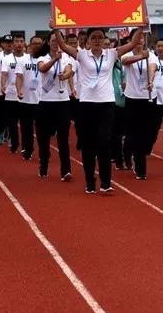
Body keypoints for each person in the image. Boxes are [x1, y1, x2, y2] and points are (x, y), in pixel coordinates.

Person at [55, 25, 144, 194]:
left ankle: (106, 182)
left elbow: (132, 44)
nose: (97, 40)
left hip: (106, 104)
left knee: (104, 142)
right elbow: (63, 45)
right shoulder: (81, 55)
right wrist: (56, 29)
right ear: (87, 41)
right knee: (88, 145)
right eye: (93, 37)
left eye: (100, 37)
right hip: (87, 104)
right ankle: (90, 182)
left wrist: (141, 26)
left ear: (105, 40)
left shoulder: (111, 54)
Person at [34, 33, 74, 179]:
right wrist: (54, 59)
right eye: (53, 41)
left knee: (63, 138)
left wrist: (66, 74)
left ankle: (66, 170)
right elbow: (42, 69)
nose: (56, 43)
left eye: (59, 41)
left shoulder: (67, 57)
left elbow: (70, 70)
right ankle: (43, 167)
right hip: (45, 102)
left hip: (63, 102)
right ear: (48, 42)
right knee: (43, 139)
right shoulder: (42, 57)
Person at [120, 28, 158, 179]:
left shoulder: (151, 55)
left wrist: (150, 80)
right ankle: (139, 165)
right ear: (132, 40)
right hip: (132, 98)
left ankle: (133, 152)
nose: (140, 40)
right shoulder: (128, 54)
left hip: (148, 97)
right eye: (137, 38)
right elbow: (125, 61)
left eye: (142, 38)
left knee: (148, 131)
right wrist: (141, 56)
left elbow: (152, 67)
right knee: (134, 133)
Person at [14, 36, 44, 160]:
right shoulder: (23, 60)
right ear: (30, 45)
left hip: (42, 99)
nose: (36, 45)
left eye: (39, 43)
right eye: (34, 43)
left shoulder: (46, 59)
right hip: (26, 99)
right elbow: (19, 77)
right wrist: (19, 90)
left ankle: (44, 152)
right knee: (26, 128)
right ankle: (28, 149)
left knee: (42, 129)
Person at [2, 35, 27, 155]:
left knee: (24, 122)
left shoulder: (28, 58)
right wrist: (2, 86)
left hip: (25, 95)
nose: (19, 44)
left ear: (24, 43)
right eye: (16, 41)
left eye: (21, 41)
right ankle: (14, 144)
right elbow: (4, 74)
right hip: (11, 94)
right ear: (13, 44)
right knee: (12, 122)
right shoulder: (7, 59)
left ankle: (26, 146)